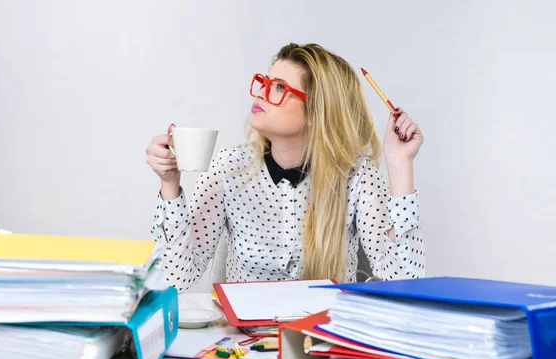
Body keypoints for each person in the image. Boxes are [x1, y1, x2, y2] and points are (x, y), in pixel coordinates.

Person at [146, 43, 425, 292]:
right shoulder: (227, 167)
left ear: (318, 112)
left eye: (279, 87)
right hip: (244, 343)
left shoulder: (358, 175)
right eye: (265, 82)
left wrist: (400, 167)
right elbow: (174, 279)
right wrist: (169, 183)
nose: (262, 94)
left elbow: (404, 283)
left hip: (322, 337)